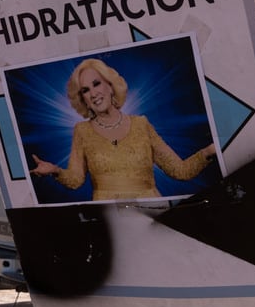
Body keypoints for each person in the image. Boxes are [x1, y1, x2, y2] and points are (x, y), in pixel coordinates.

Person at [29, 57, 217, 201]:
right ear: (83, 99)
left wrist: (209, 151)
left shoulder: (141, 124)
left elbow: (180, 171)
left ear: (110, 86)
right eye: (85, 90)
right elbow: (76, 180)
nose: (93, 93)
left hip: (152, 215)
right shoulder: (82, 131)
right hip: (110, 222)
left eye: (96, 84)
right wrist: (55, 170)